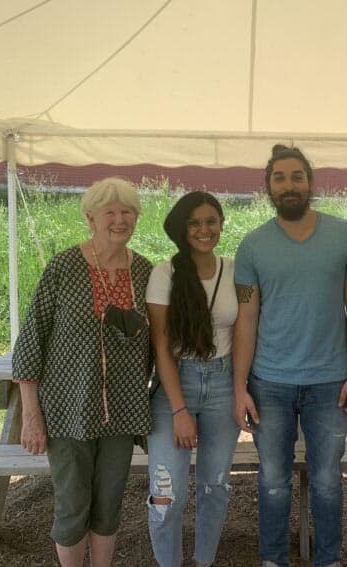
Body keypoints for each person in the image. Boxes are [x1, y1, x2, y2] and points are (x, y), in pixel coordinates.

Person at [232, 144, 347, 567]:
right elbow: (246, 317)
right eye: (279, 178)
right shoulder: (252, 247)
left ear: (310, 181)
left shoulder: (346, 236)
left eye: (296, 176)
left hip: (330, 382)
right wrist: (239, 387)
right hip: (268, 383)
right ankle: (273, 558)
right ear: (268, 187)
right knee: (273, 480)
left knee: (327, 480)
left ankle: (329, 559)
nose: (288, 185)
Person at [12, 177, 153, 567]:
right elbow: (30, 341)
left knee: (109, 502)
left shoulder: (144, 272)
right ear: (91, 217)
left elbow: (159, 343)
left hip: (122, 413)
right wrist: (31, 415)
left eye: (128, 211)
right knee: (73, 504)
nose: (120, 219)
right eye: (110, 211)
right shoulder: (64, 266)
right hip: (66, 410)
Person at [144, 191, 240, 567]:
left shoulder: (236, 270)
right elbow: (162, 345)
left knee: (215, 488)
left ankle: (204, 561)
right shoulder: (164, 273)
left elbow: (247, 328)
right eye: (195, 223)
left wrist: (240, 390)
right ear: (183, 229)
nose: (204, 229)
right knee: (167, 494)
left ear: (221, 225)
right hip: (175, 386)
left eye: (211, 221)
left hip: (223, 382)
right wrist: (180, 408)